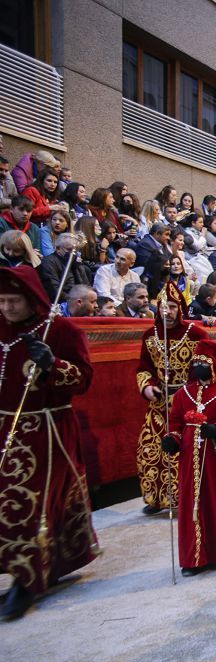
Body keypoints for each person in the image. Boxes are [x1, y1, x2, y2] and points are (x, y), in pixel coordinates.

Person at [0, 266, 99, 620]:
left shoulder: (59, 330)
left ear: (31, 299)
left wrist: (53, 365)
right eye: (2, 301)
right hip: (4, 427)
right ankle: (36, 566)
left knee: (31, 503)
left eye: (14, 300)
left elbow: (83, 379)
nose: (8, 308)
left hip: (46, 428)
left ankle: (26, 582)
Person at [162, 339, 216, 576]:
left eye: (204, 362)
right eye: (196, 361)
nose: (199, 366)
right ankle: (194, 559)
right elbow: (177, 423)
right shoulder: (183, 393)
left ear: (215, 365)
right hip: (191, 461)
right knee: (194, 505)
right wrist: (173, 438)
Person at [135, 283, 208, 514]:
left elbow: (208, 366)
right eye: (164, 307)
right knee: (152, 449)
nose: (168, 311)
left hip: (187, 403)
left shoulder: (196, 334)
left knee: (185, 450)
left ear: (181, 308)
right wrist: (146, 386)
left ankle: (186, 498)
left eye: (173, 307)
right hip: (158, 405)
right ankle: (157, 498)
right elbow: (143, 368)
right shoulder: (149, 335)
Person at [38, 232, 93, 303]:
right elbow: (54, 291)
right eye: (69, 250)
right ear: (58, 248)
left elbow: (86, 286)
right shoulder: (48, 263)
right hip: (63, 303)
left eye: (75, 250)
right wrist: (74, 301)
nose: (73, 253)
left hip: (80, 301)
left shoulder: (76, 262)